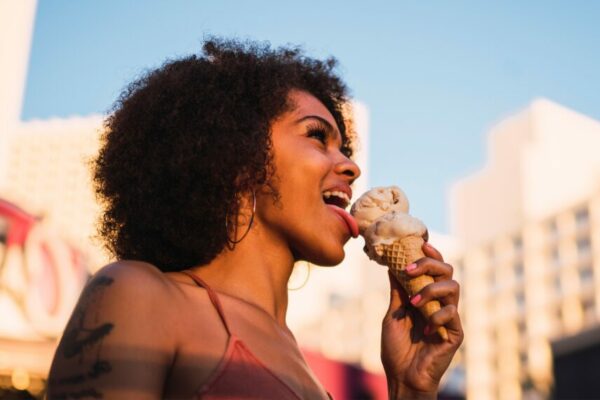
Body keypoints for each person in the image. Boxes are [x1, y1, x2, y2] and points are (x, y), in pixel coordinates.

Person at [47, 38, 463, 399]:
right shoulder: (137, 294)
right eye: (317, 135)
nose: (351, 168)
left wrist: (410, 389)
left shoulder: (312, 374)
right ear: (238, 155)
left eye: (347, 151)